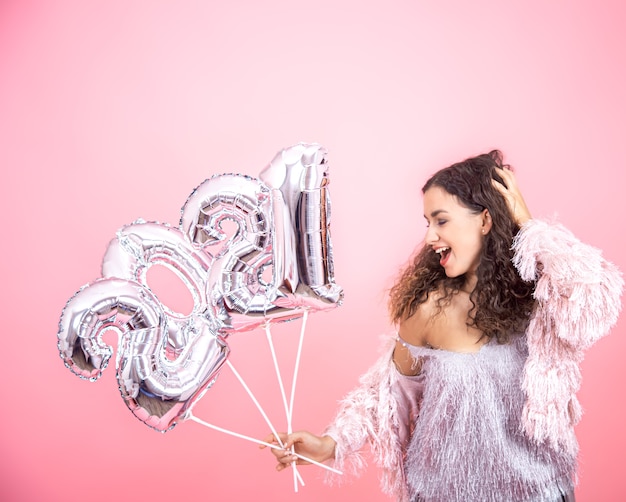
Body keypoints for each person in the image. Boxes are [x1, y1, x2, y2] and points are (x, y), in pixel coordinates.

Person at [260, 150, 623, 502]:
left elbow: (596, 296)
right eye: (428, 222)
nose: (431, 236)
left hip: (538, 492)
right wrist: (331, 443)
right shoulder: (427, 307)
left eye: (442, 220)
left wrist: (528, 225)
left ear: (484, 220)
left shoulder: (541, 299)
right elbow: (387, 394)